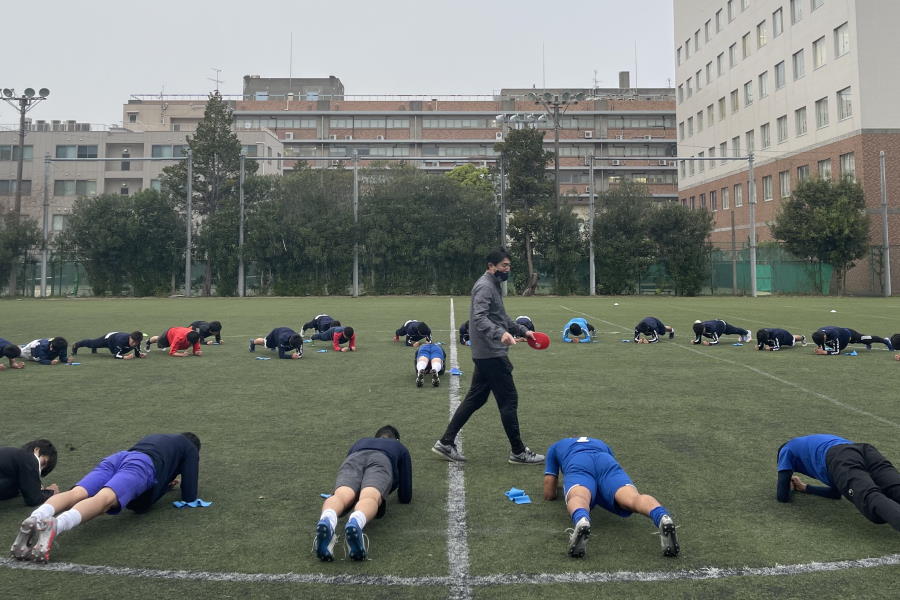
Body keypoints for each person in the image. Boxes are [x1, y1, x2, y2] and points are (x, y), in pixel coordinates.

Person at [10, 432, 202, 563]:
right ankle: (56, 526)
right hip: (142, 465)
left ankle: (36, 517)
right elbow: (190, 492)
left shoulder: (162, 437)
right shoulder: (189, 447)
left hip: (119, 457)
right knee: (104, 500)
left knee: (77, 493)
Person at [432, 248, 543, 465]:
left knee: (476, 398)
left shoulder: (493, 286)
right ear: (491, 266)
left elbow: (500, 317)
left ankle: (446, 442)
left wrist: (522, 331)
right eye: (504, 265)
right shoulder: (484, 286)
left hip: (486, 353)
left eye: (509, 265)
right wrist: (501, 334)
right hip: (491, 353)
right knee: (509, 400)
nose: (507, 269)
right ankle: (518, 452)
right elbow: (479, 318)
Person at [544, 436, 679, 558]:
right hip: (605, 460)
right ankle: (662, 517)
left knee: (579, 496)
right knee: (632, 498)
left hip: (578, 462)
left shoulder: (556, 446)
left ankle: (582, 520)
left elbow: (549, 493)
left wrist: (558, 488)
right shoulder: (599, 442)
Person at [314, 425, 412, 562]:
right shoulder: (398, 446)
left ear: (375, 437)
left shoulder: (361, 441)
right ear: (396, 439)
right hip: (381, 461)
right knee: (370, 496)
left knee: (341, 495)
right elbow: (405, 496)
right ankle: (356, 522)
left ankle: (327, 519)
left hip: (354, 458)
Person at [776, 434, 900, 532]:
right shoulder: (811, 447)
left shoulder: (786, 449)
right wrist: (806, 488)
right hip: (864, 450)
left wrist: (789, 486)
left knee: (869, 497)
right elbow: (836, 493)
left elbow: (782, 496)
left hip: (840, 457)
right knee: (895, 488)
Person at [0, 440, 59, 506]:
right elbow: (33, 499)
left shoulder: (14, 458)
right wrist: (51, 492)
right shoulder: (29, 458)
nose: (39, 469)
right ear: (37, 450)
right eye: (43, 462)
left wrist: (33, 486)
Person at [812, 326, 892, 355]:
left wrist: (824, 352)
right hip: (842, 338)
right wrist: (820, 348)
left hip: (849, 335)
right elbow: (821, 343)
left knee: (867, 338)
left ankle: (885, 341)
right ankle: (867, 343)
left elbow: (837, 351)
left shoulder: (833, 334)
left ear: (825, 335)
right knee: (865, 340)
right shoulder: (818, 334)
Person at [72, 331, 145, 360]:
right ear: (130, 337)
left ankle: (94, 347)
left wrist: (139, 355)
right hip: (109, 339)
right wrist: (124, 357)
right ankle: (76, 345)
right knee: (93, 343)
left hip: (116, 338)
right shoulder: (122, 341)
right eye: (133, 342)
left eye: (136, 342)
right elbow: (115, 355)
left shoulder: (137, 341)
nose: (134, 344)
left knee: (126, 349)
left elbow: (137, 351)